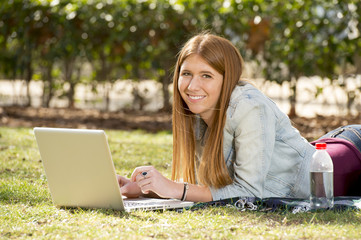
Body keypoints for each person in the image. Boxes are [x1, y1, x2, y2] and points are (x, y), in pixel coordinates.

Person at [117, 32, 361, 202]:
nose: (192, 85)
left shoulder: (249, 108)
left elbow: (248, 192)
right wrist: (144, 188)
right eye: (187, 73)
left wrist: (172, 188)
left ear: (228, 79)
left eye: (207, 75)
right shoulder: (196, 111)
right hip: (324, 148)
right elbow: (209, 187)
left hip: (349, 155)